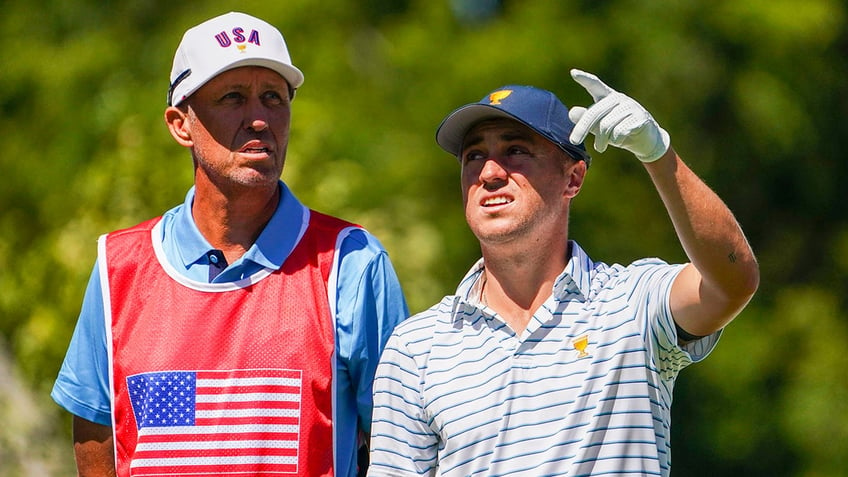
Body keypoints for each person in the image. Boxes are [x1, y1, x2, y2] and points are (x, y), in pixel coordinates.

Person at [51, 11, 408, 477]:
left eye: (274, 98)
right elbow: (97, 433)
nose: (259, 119)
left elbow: (403, 445)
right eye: (234, 97)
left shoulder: (351, 261)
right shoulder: (119, 267)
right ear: (181, 124)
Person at [367, 70, 759, 476]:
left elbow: (732, 281)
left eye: (516, 150)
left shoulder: (632, 303)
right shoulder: (416, 348)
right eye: (474, 156)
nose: (489, 174)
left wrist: (657, 153)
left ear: (572, 178)